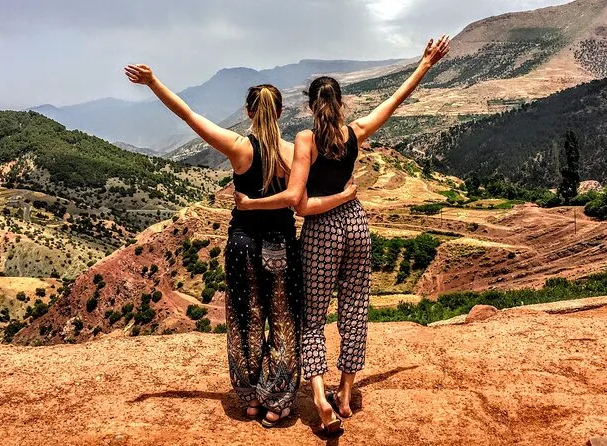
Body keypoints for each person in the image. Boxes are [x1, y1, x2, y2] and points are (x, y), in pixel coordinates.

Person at [235, 35, 451, 435]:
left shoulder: (307, 140)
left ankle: (321, 399)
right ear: (341, 103)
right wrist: (424, 64)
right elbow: (393, 102)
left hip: (323, 231)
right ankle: (346, 394)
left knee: (313, 318)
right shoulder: (354, 133)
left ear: (310, 106)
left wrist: (327, 197)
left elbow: (300, 205)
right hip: (356, 225)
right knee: (354, 310)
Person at [124, 65, 357, 428]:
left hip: (242, 244)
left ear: (249, 112)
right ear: (280, 112)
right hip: (281, 244)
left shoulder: (237, 148)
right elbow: (311, 190)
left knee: (247, 319)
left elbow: (188, 115)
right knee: (283, 321)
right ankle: (277, 401)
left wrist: (153, 82)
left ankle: (250, 399)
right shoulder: (293, 152)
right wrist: (345, 195)